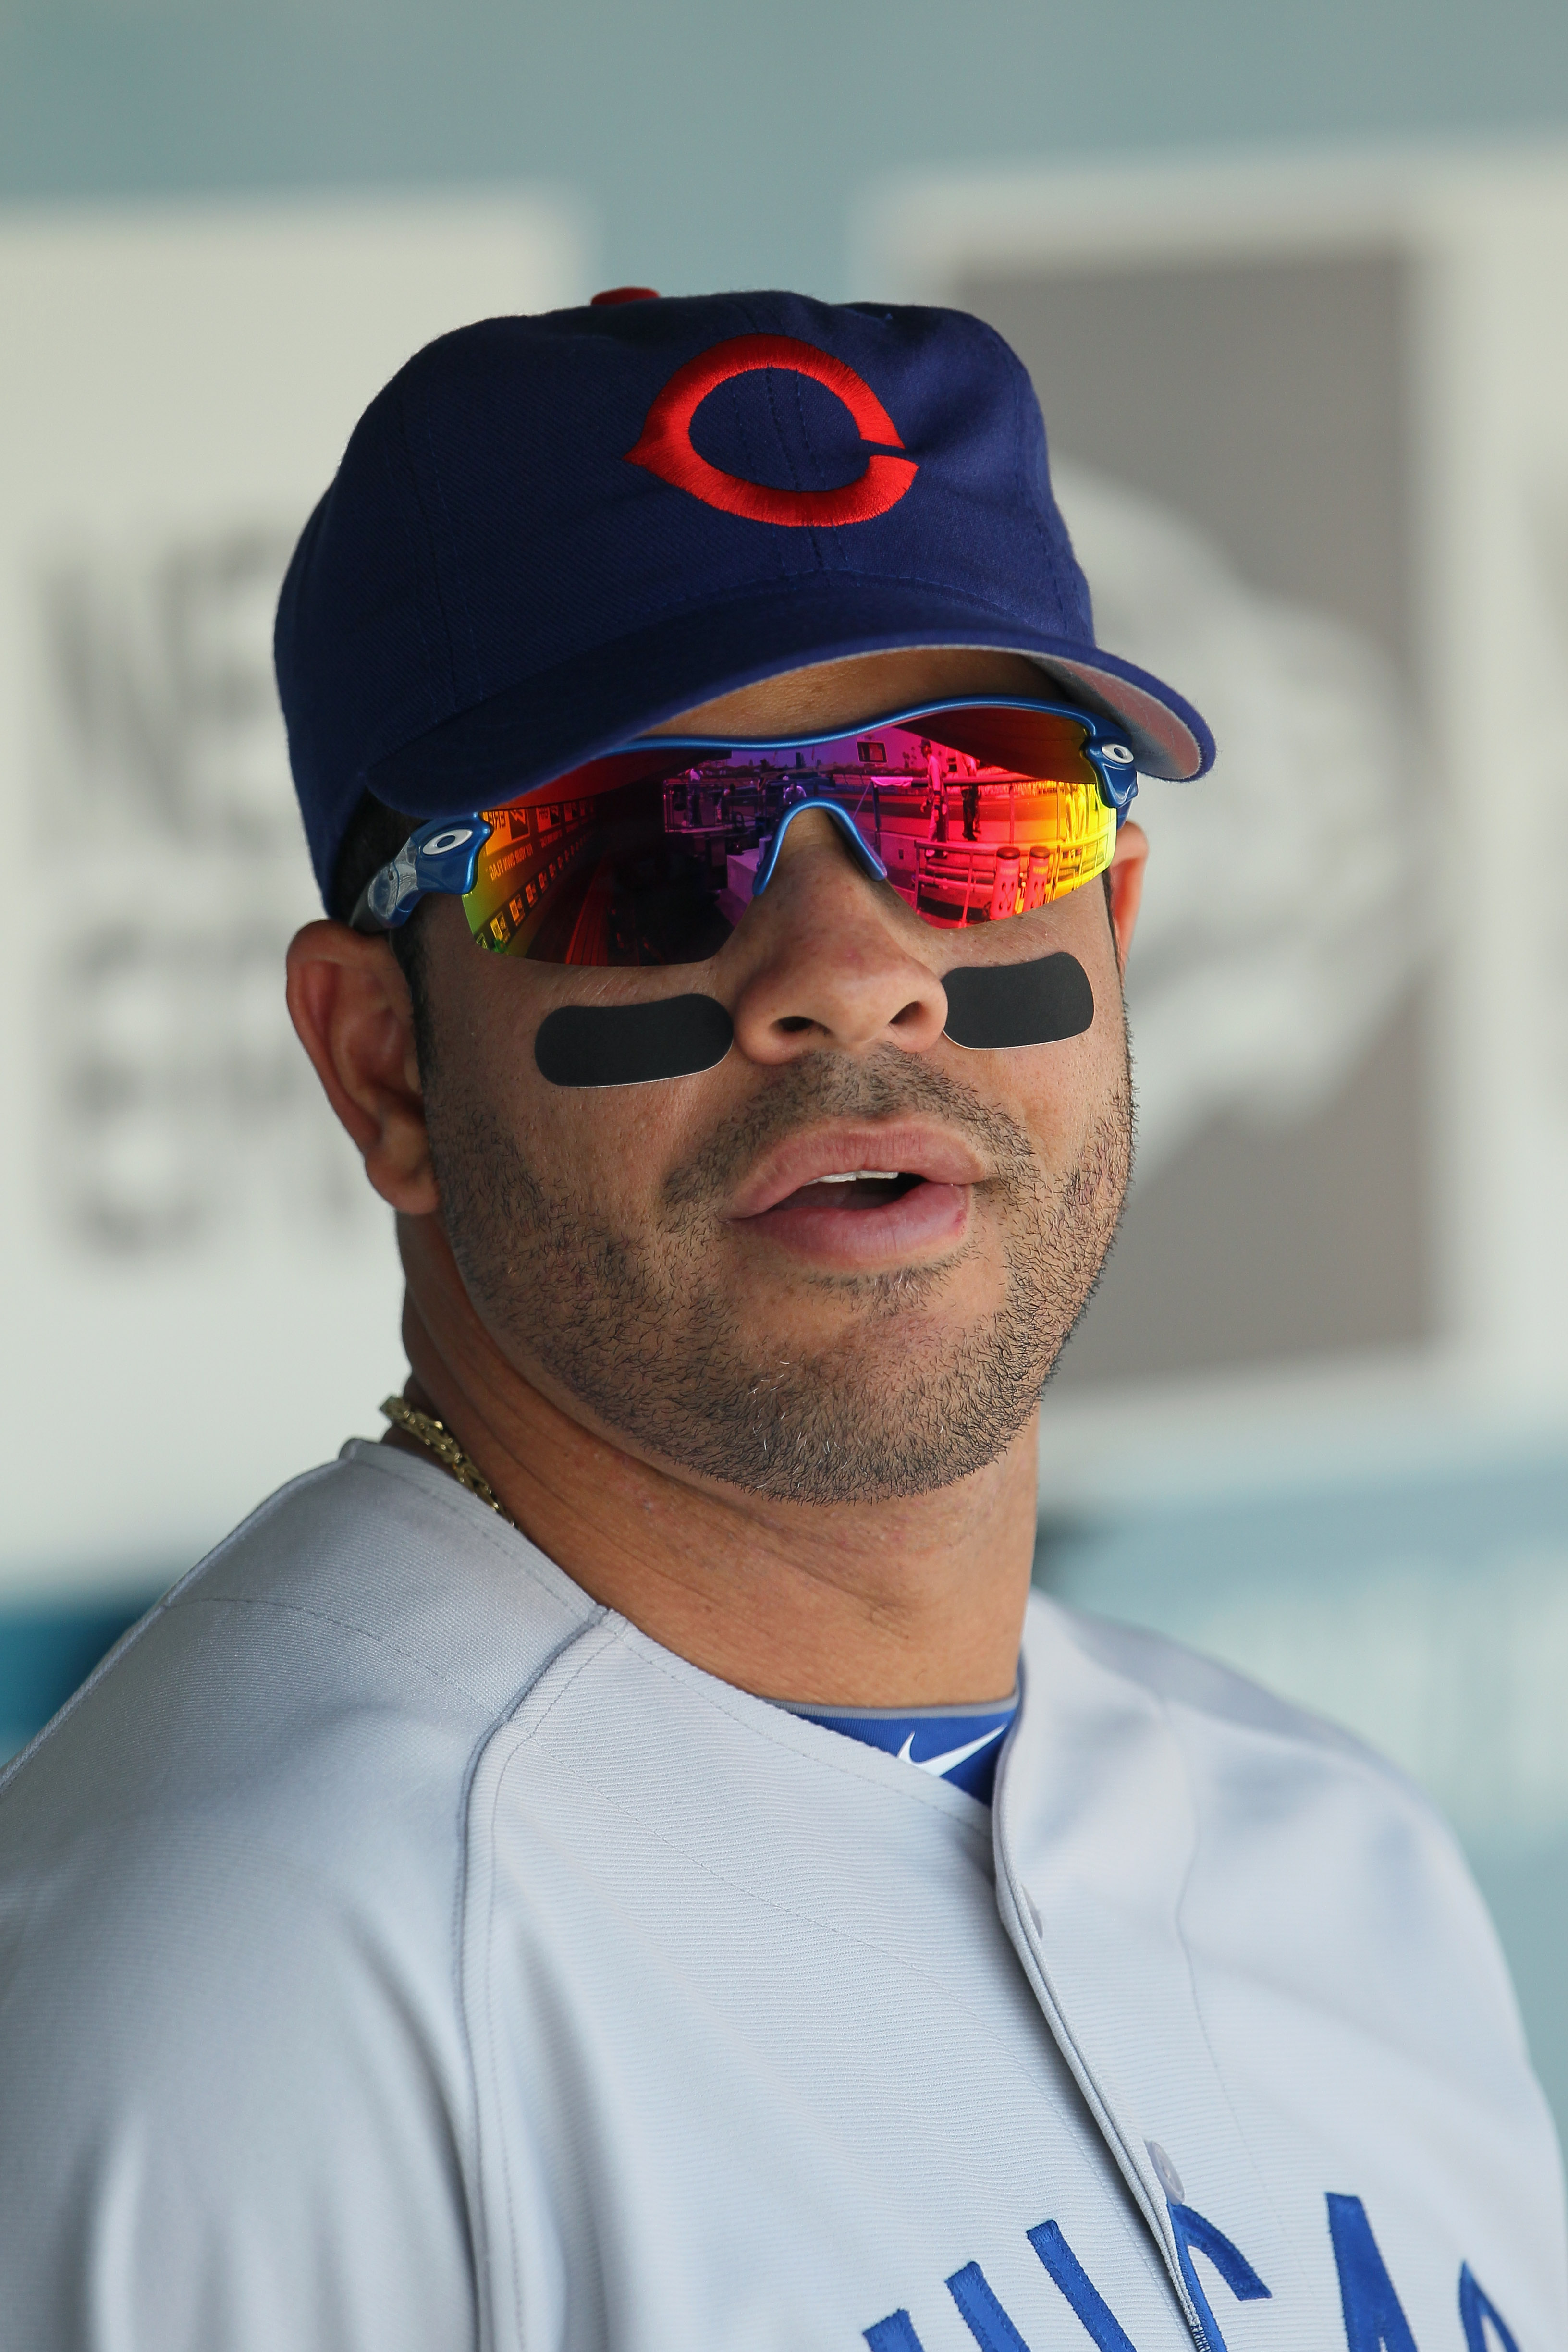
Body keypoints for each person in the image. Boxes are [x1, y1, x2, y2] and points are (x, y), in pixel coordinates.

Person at [0, 289, 1561, 2352]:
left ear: (1117, 933)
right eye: (642, 854)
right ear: (382, 1065)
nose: (852, 969)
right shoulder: (235, 1990)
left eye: (975, 807)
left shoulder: (1339, 1861)